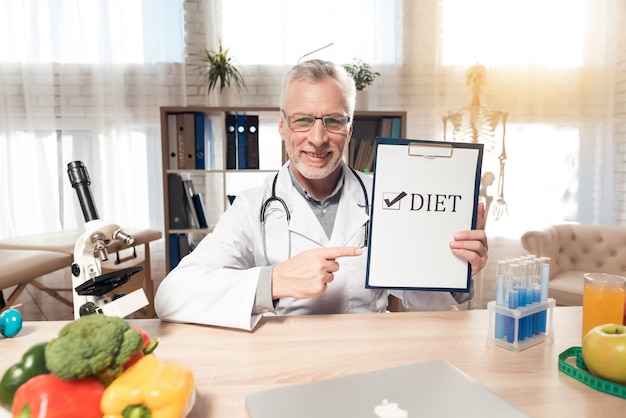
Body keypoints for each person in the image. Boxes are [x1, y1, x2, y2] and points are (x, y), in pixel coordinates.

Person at [155, 59, 489, 331]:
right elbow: (171, 296)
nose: (317, 138)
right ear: (283, 126)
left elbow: (422, 296)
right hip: (282, 360)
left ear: (350, 128)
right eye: (303, 120)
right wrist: (272, 282)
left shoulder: (388, 196)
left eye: (332, 121)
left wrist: (457, 269)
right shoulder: (251, 206)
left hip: (368, 357)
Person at [443, 63, 508, 221]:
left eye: (479, 77)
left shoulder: (498, 115)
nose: (475, 81)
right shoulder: (451, 117)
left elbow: (502, 157)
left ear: (485, 83)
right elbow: (446, 155)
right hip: (461, 174)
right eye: (471, 77)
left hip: (487, 177)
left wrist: (500, 195)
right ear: (466, 82)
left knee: (486, 179)